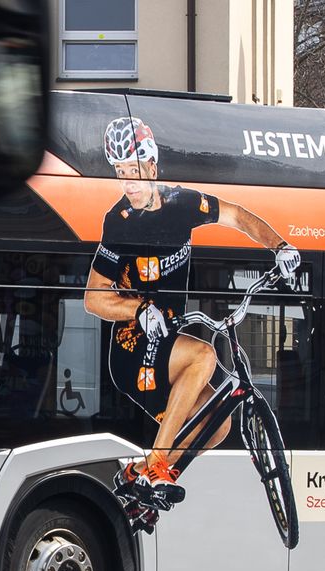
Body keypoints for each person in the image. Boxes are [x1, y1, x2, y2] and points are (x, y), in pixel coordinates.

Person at [84, 117, 300, 504]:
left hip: (166, 345)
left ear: (152, 166)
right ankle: (157, 467)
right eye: (120, 174)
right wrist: (138, 310)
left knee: (217, 427)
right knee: (203, 354)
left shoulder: (183, 204)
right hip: (134, 350)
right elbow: (93, 297)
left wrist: (279, 246)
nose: (128, 183)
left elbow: (237, 216)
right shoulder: (118, 223)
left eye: (134, 171)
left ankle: (138, 478)